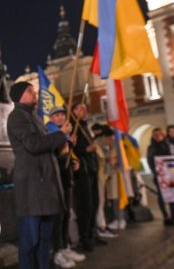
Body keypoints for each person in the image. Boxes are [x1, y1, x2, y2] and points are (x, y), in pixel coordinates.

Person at [7, 83, 72, 269]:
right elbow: (33, 144)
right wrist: (60, 135)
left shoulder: (33, 116)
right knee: (30, 241)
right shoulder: (17, 116)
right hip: (32, 189)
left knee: (44, 241)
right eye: (30, 91)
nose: (34, 93)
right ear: (20, 95)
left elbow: (43, 147)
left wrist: (61, 148)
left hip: (44, 188)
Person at [45, 106, 86, 268]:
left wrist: (73, 156)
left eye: (62, 114)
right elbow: (54, 155)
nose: (61, 117)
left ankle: (64, 246)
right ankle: (57, 251)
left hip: (66, 177)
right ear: (51, 118)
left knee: (66, 214)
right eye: (57, 115)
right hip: (56, 179)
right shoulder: (51, 132)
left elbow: (66, 155)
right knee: (59, 216)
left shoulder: (64, 134)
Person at [71, 103, 103, 252]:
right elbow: (72, 149)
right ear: (73, 111)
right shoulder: (73, 126)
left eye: (85, 108)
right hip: (82, 172)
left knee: (94, 203)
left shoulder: (84, 125)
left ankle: (92, 232)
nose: (84, 111)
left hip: (91, 169)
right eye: (80, 109)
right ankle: (84, 237)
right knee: (85, 205)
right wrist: (86, 149)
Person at [146, 128, 174, 226]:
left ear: (163, 135)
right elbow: (150, 161)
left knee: (173, 196)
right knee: (162, 196)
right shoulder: (151, 147)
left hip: (171, 174)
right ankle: (166, 217)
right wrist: (156, 171)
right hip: (159, 175)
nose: (158, 136)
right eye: (155, 135)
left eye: (159, 134)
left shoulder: (170, 146)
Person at [94, 125, 120, 238]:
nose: (110, 142)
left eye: (112, 140)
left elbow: (115, 159)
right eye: (109, 139)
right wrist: (106, 159)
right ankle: (101, 226)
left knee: (107, 200)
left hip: (107, 175)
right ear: (104, 137)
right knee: (100, 201)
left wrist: (112, 162)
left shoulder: (112, 145)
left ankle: (106, 222)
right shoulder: (96, 145)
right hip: (98, 177)